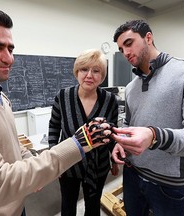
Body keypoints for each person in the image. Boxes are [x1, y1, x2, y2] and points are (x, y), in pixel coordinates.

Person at [0, 5, 114, 216]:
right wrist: (79, 143)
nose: (9, 58)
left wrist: (32, 166)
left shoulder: (0, 97)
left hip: (18, 205)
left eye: (10, 49)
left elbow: (12, 143)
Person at [110, 19, 184, 216]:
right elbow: (129, 122)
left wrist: (155, 136)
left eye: (129, 43)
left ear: (148, 37)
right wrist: (122, 142)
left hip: (168, 184)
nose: (125, 53)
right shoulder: (130, 88)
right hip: (132, 174)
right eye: (120, 49)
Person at [48, 49, 119, 216]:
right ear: (77, 72)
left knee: (93, 207)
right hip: (68, 164)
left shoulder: (109, 100)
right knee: (68, 206)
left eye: (96, 71)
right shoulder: (63, 96)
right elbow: (54, 126)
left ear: (102, 76)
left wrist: (114, 160)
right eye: (84, 69)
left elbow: (112, 132)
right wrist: (54, 159)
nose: (89, 75)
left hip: (98, 165)